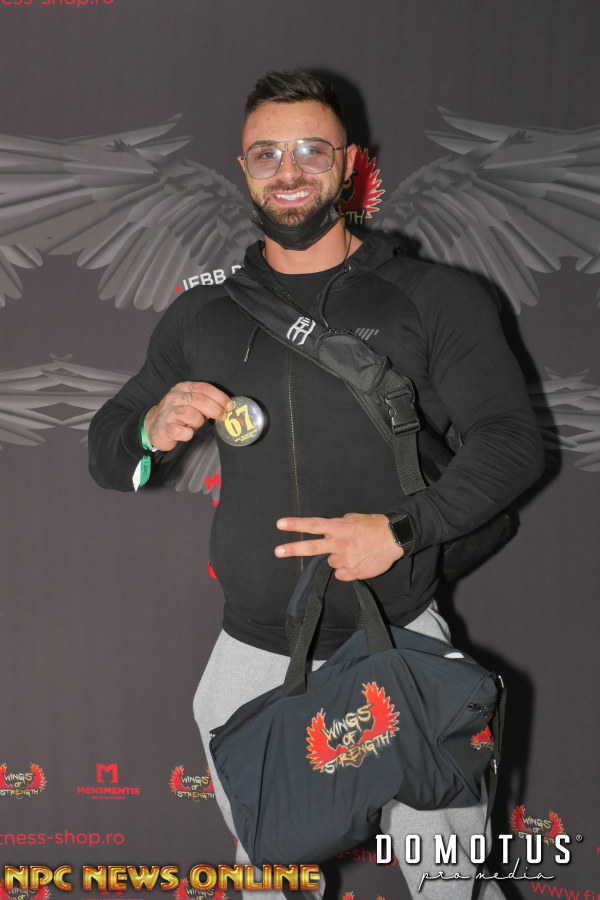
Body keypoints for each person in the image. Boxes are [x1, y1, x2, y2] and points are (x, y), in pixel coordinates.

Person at [89, 71, 544, 899]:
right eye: (266, 153)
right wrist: (150, 429)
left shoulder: (433, 298)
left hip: (401, 645)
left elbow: (513, 444)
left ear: (349, 165)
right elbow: (107, 452)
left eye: (310, 150)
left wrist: (401, 531)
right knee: (270, 884)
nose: (288, 170)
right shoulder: (203, 314)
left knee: (454, 884)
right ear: (243, 169)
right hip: (253, 657)